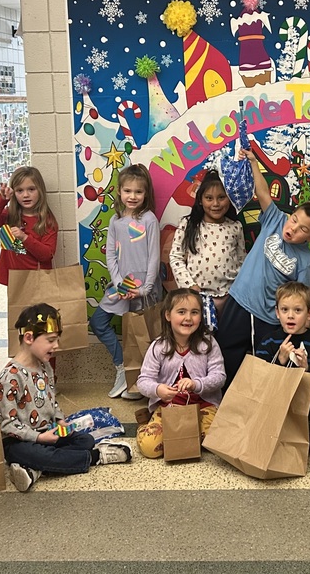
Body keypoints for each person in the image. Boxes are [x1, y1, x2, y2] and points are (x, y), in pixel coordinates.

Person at [214, 146, 310, 385]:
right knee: (227, 352)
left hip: (267, 316)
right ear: (291, 214)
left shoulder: (306, 261)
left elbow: (300, 298)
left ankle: (258, 406)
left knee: (264, 363)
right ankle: (225, 402)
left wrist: (299, 323)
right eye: (295, 220)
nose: (293, 229)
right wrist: (254, 162)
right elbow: (263, 191)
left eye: (302, 230)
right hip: (239, 299)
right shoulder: (276, 220)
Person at [0, 303, 132, 492]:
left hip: (48, 431)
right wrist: (40, 437)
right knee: (37, 454)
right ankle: (95, 457)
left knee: (85, 441)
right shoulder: (10, 377)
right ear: (29, 337)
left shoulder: (45, 367)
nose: (56, 346)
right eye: (50, 340)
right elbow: (7, 424)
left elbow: (51, 398)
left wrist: (60, 420)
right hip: (19, 441)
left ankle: (34, 471)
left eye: (57, 339)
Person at [90, 164, 162, 399]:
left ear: (145, 194)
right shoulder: (116, 220)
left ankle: (139, 382)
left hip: (144, 289)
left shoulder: (149, 219)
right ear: (119, 192)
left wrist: (144, 289)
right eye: (127, 191)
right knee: (98, 322)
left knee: (140, 333)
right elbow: (110, 254)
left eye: (138, 192)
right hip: (121, 286)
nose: (132, 196)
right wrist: (119, 284)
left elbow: (154, 257)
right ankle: (122, 368)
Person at [135, 288, 226, 459]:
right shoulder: (158, 347)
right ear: (168, 316)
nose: (188, 318)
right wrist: (158, 389)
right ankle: (143, 426)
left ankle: (188, 436)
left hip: (203, 406)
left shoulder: (209, 344)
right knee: (150, 448)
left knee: (218, 443)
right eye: (181, 312)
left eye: (194, 312)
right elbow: (143, 381)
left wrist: (197, 384)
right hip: (169, 409)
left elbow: (219, 377)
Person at [255, 282, 310, 461]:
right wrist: (280, 362)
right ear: (277, 312)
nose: (290, 316)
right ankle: (295, 439)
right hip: (276, 411)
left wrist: (307, 370)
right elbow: (259, 383)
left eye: (297, 310)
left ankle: (302, 438)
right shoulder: (268, 342)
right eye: (284, 310)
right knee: (264, 448)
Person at [168, 169, 245, 312]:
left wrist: (238, 290)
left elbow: (241, 261)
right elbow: (175, 257)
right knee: (203, 335)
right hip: (199, 298)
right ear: (200, 200)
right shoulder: (188, 224)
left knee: (229, 334)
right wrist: (190, 286)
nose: (216, 203)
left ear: (229, 198)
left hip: (231, 298)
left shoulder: (235, 227)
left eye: (221, 197)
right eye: (209, 198)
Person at [0, 166, 58, 287]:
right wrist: (2, 199)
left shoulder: (47, 221)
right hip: (14, 281)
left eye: (31, 189)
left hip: (37, 281)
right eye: (19, 191)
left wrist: (25, 238)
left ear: (40, 190)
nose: (25, 195)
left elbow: (47, 255)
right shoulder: (10, 215)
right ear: (13, 193)